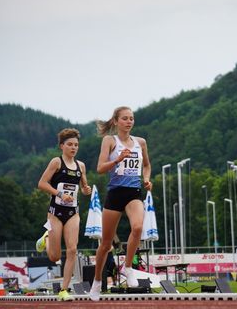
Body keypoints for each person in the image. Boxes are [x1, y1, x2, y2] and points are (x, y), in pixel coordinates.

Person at [89, 106, 152, 301]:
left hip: (134, 192)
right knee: (106, 243)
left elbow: (147, 165)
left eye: (131, 118)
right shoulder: (110, 141)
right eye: (125, 118)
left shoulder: (140, 142)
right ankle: (97, 281)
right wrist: (118, 159)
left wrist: (147, 179)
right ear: (116, 121)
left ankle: (128, 267)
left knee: (138, 227)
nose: (129, 121)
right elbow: (100, 168)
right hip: (115, 194)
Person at [35, 128, 91, 301]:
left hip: (73, 212)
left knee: (73, 249)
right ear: (62, 146)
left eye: (76, 145)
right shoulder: (56, 163)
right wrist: (59, 194)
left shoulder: (81, 166)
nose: (73, 148)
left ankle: (64, 290)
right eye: (70, 145)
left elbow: (83, 186)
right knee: (55, 256)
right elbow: (42, 184)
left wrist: (86, 189)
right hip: (55, 213)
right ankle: (46, 238)